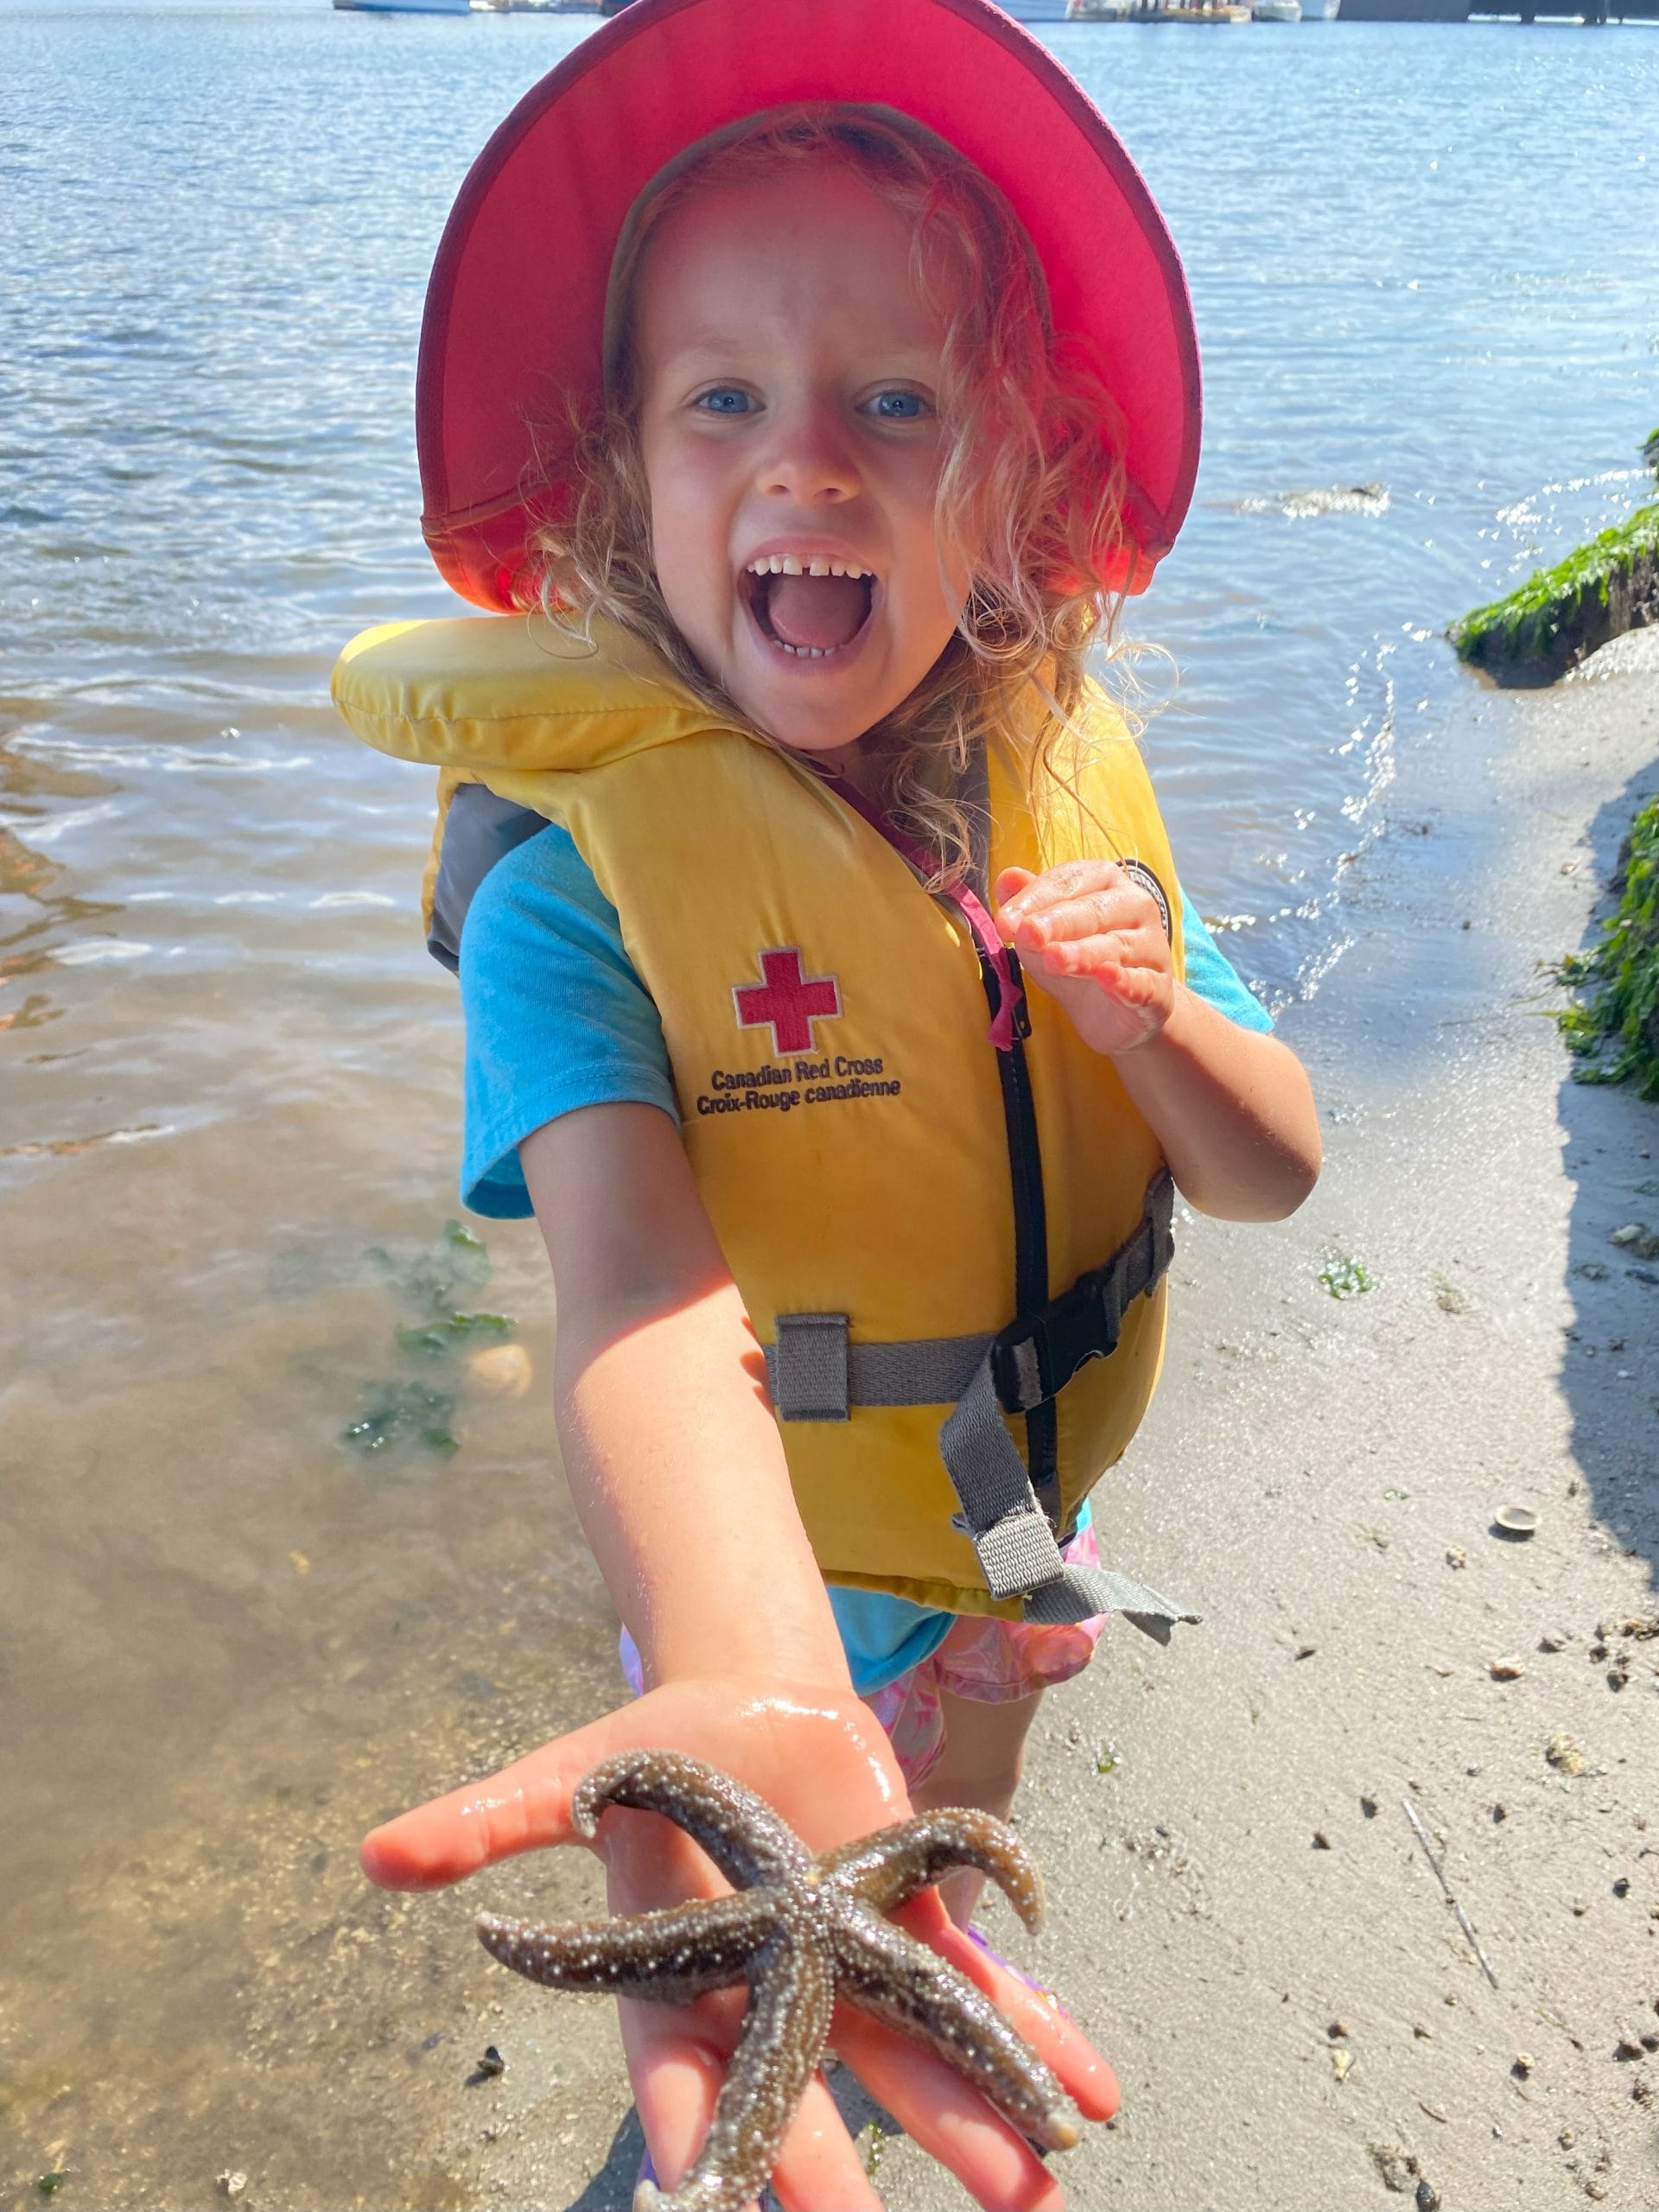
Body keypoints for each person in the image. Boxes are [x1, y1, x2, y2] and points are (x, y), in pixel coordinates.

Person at [334, 0, 1321, 2202]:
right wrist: (752, 1664)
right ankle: (807, 1956)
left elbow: (1273, 1171)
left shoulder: (1063, 816)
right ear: (619, 484)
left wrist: (1159, 1027)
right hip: (752, 1553)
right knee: (787, 1829)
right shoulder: (574, 910)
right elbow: (637, 1297)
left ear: (1019, 482)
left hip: (1009, 1504)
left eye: (897, 397)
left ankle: (896, 1941)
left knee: (953, 1808)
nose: (812, 458)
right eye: (726, 402)